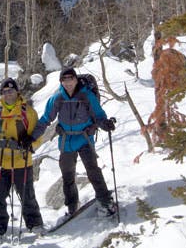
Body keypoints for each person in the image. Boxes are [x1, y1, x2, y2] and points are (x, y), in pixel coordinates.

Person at [24, 67, 117, 218]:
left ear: (75, 79)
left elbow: (98, 114)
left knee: (93, 170)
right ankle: (72, 206)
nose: (68, 83)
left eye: (70, 79)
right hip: (66, 141)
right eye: (64, 80)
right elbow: (45, 119)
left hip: (84, 138)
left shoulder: (86, 96)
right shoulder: (58, 98)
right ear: (61, 82)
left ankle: (105, 200)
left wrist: (105, 124)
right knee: (67, 175)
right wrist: (32, 137)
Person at [0, 78, 44, 245]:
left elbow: (37, 136)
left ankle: (34, 223)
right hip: (1, 161)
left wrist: (29, 145)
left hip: (22, 161)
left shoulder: (28, 112)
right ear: (1, 94)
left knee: (27, 195)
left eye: (11, 90)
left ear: (17, 92)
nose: (8, 94)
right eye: (5, 91)